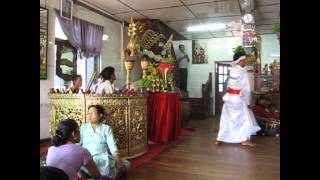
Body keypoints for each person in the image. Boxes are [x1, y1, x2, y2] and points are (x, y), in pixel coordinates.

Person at [215, 51, 260, 147]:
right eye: (243, 60)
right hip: (238, 99)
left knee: (226, 119)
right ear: (239, 61)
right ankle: (244, 140)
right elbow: (246, 89)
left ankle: (220, 138)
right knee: (244, 119)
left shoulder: (232, 69)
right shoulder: (242, 71)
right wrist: (248, 102)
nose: (245, 62)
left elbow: (227, 85)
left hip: (229, 99)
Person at [80, 105, 130, 178]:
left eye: (92, 113)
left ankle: (92, 175)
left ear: (100, 115)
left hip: (103, 158)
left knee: (126, 164)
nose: (89, 115)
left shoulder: (106, 128)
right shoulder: (83, 128)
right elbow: (78, 144)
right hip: (87, 158)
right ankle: (103, 176)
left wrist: (118, 160)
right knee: (83, 166)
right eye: (88, 113)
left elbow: (112, 146)